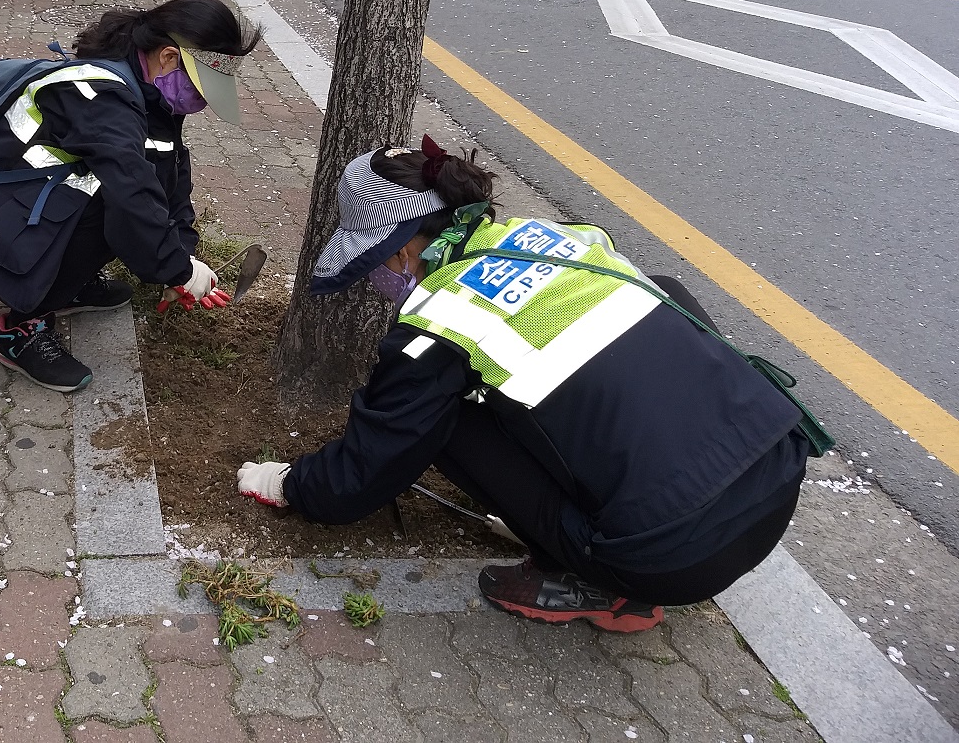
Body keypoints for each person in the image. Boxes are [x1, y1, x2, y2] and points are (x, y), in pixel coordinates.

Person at [236, 140, 814, 633]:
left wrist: (295, 484)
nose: (377, 283)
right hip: (774, 479)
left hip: (668, 559)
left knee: (447, 423)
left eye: (375, 266)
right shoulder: (552, 238)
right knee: (657, 289)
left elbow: (363, 475)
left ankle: (598, 589)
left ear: (407, 248)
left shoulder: (443, 320)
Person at [0, 0, 259, 392]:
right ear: (170, 58)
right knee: (114, 205)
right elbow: (134, 194)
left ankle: (70, 283)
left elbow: (169, 175)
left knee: (123, 206)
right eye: (202, 88)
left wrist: (182, 250)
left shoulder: (147, 90)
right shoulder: (100, 96)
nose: (203, 102)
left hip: (21, 219)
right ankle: (22, 326)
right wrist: (178, 270)